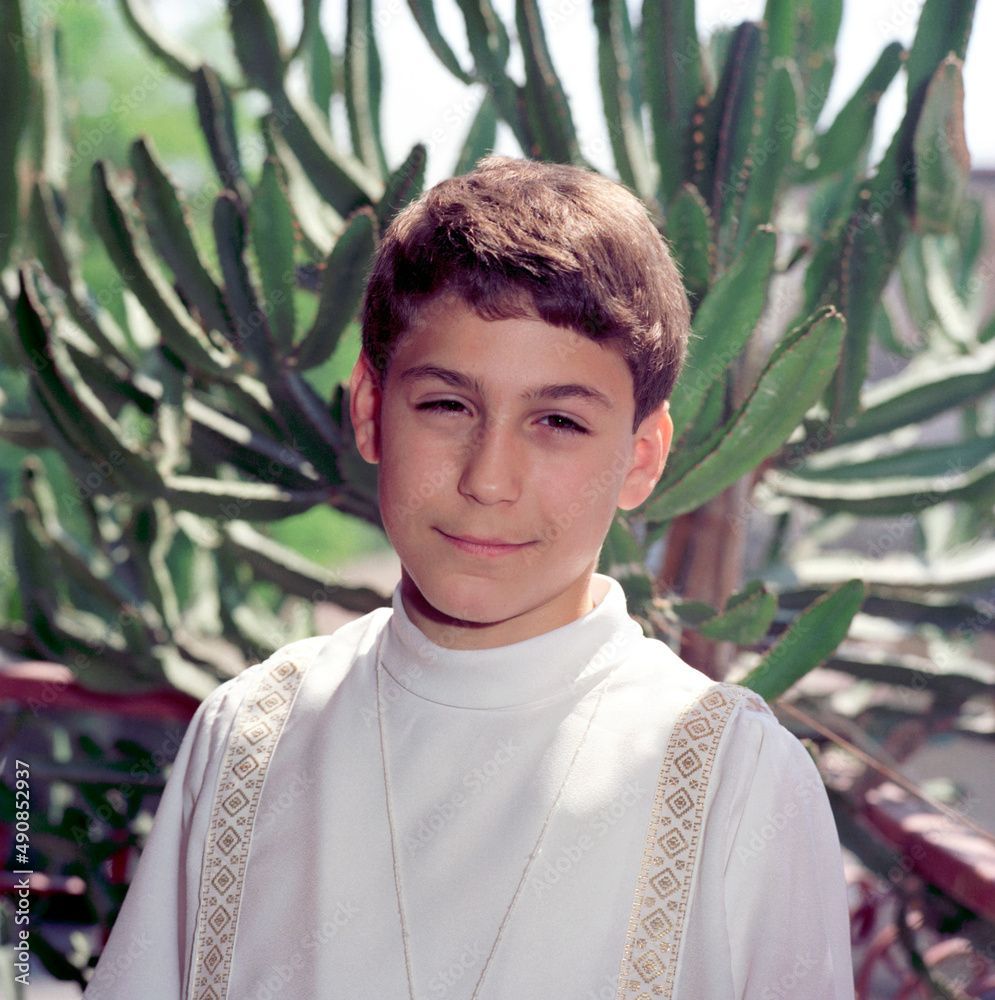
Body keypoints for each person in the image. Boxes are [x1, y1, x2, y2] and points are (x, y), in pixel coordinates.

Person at [83, 156, 855, 1000]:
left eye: (557, 421)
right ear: (371, 412)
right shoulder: (247, 737)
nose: (488, 480)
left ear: (640, 459)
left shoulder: (736, 782)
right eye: (448, 406)